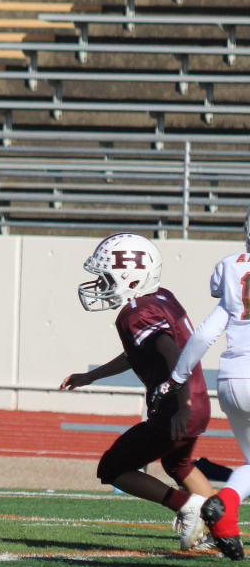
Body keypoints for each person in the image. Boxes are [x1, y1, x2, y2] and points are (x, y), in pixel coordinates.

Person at [59, 232, 217, 549]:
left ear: (132, 278)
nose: (100, 285)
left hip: (178, 407)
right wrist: (91, 377)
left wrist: (182, 405)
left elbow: (173, 353)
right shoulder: (161, 298)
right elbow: (138, 353)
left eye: (107, 278)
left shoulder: (135, 313)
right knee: (179, 465)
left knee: (113, 468)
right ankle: (222, 529)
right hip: (197, 401)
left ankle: (189, 507)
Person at [164, 208, 250, 560]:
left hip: (233, 379)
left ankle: (225, 518)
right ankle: (225, 504)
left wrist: (177, 376)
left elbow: (204, 334)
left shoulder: (231, 266)